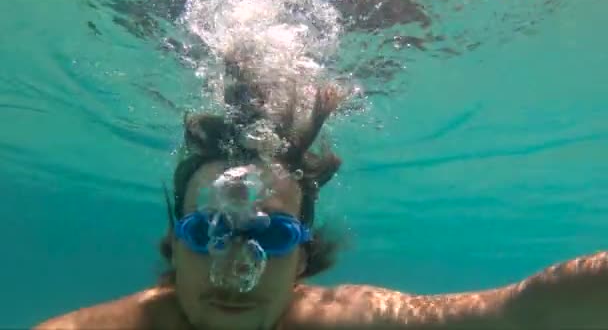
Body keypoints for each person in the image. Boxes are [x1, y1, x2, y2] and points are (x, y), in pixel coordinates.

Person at [35, 67, 608, 330]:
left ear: (304, 258)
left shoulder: (349, 322)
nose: (236, 266)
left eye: (273, 235)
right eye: (206, 233)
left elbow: (524, 309)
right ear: (173, 248)